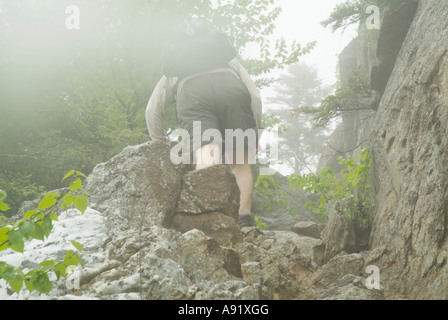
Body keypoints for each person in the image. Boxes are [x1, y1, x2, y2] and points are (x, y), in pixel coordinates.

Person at [145, 20, 262, 227]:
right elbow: (255, 97)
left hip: (193, 93)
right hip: (231, 88)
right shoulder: (226, 59)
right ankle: (243, 218)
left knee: (208, 154)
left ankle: (210, 217)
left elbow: (152, 110)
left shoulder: (176, 67)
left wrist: (160, 145)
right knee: (240, 163)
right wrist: (255, 131)